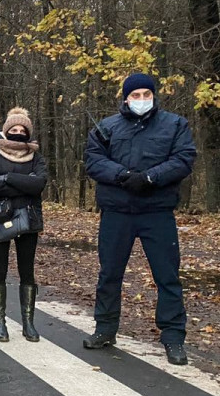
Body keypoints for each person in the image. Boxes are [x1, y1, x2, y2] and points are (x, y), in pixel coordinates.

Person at [84, 73, 197, 365]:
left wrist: (150, 177)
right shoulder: (106, 127)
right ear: (126, 98)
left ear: (154, 96)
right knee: (109, 274)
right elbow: (94, 160)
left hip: (157, 211)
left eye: (146, 94)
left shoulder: (175, 125)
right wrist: (121, 176)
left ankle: (173, 338)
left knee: (167, 276)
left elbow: (184, 158)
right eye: (136, 95)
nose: (141, 100)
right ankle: (105, 329)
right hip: (117, 212)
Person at [0, 108, 48, 343]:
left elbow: (39, 184)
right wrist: (24, 183)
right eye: (14, 130)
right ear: (6, 130)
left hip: (29, 219)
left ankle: (28, 322)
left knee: (27, 270)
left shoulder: (36, 156)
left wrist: (7, 178)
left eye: (23, 130)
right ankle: (0, 323)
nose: (18, 133)